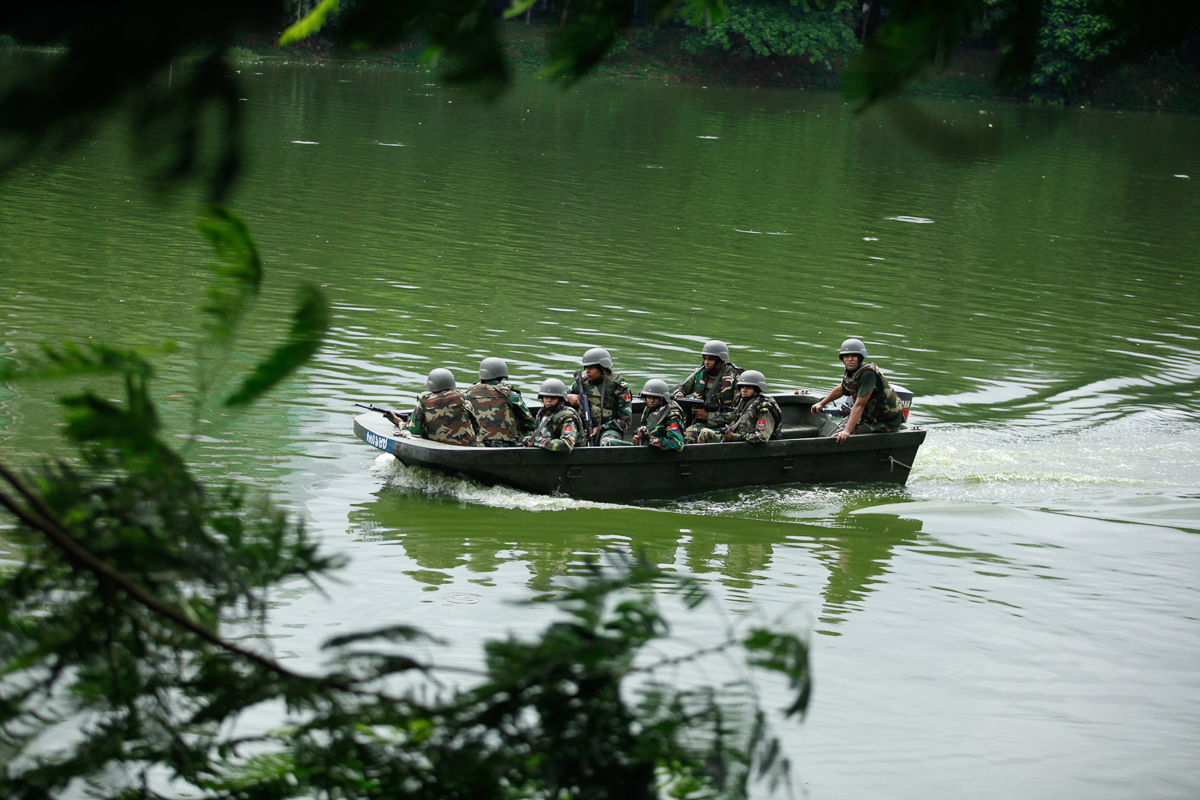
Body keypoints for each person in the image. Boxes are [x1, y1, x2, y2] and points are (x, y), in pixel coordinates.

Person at [810, 338, 905, 443]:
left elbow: (860, 405)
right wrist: (821, 404)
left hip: (886, 422)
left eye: (853, 356)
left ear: (860, 358)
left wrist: (846, 432)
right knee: (838, 429)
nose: (849, 359)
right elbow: (840, 389)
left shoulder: (868, 374)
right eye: (846, 356)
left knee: (842, 436)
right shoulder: (852, 372)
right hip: (870, 417)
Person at [673, 339, 744, 444]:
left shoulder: (735, 378)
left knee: (692, 435)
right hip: (701, 423)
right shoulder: (700, 373)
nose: (706, 362)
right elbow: (682, 388)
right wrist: (679, 394)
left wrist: (708, 416)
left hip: (726, 426)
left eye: (710, 359)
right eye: (705, 358)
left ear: (721, 360)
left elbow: (739, 413)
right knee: (679, 435)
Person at [388, 368, 480, 446]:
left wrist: (400, 423)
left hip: (436, 447)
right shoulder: (464, 400)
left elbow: (413, 430)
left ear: (430, 384)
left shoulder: (424, 401)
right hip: (467, 447)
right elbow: (477, 429)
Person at [566, 347, 632, 447]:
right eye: (586, 367)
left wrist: (600, 428)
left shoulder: (618, 387)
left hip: (609, 430)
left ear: (603, 368)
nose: (587, 371)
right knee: (566, 441)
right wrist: (568, 397)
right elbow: (556, 398)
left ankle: (634, 447)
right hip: (582, 427)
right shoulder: (582, 381)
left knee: (607, 443)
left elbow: (625, 421)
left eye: (591, 368)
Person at [465, 356, 536, 447]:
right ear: (502, 375)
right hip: (506, 445)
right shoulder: (511, 395)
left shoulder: (468, 394)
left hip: (477, 444)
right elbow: (530, 423)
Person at [695, 370, 781, 444]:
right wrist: (728, 431)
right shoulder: (745, 403)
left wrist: (734, 437)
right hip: (742, 442)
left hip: (752, 448)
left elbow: (762, 438)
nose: (744, 390)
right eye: (742, 387)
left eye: (748, 387)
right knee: (705, 433)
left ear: (757, 389)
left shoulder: (764, 409)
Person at [521, 378, 582, 452]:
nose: (549, 400)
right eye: (546, 397)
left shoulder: (568, 417)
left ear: (561, 399)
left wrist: (537, 442)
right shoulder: (542, 413)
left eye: (553, 397)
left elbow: (566, 444)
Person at [628, 379, 685, 451]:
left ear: (662, 399)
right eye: (648, 397)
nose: (651, 401)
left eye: (655, 398)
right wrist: (639, 438)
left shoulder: (672, 414)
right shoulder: (649, 409)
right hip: (651, 448)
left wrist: (649, 439)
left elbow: (677, 444)